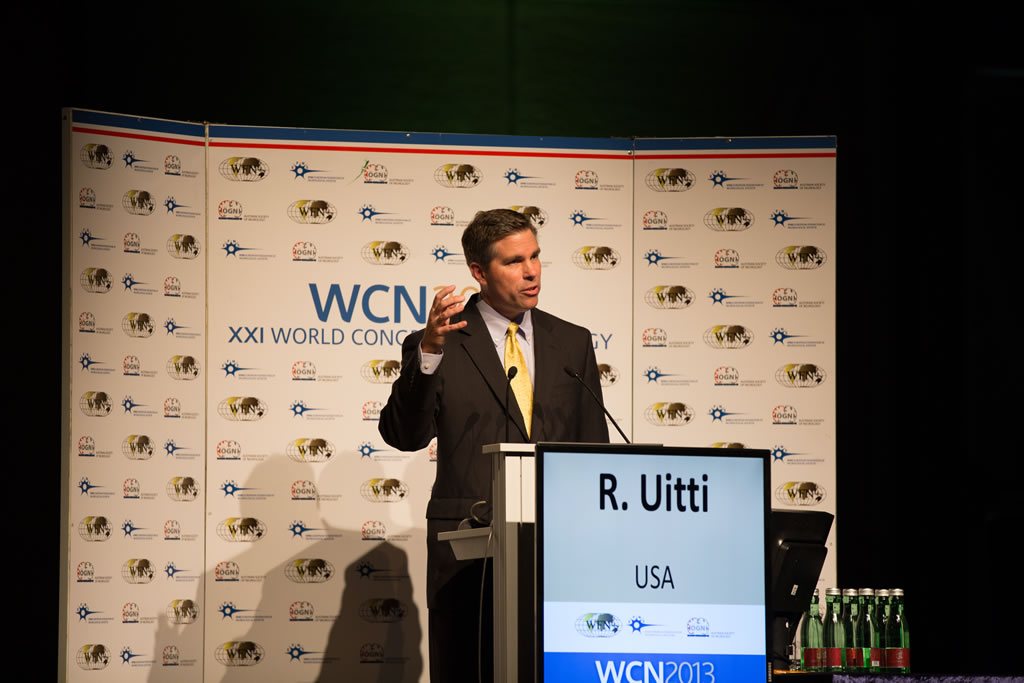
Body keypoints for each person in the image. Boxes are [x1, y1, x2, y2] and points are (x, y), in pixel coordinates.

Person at [378, 208, 609, 682]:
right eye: (514, 262)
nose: (532, 271)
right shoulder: (439, 342)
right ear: (479, 273)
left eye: (535, 257)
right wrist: (429, 354)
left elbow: (593, 448)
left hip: (556, 548)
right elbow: (404, 435)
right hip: (468, 550)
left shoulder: (572, 342)